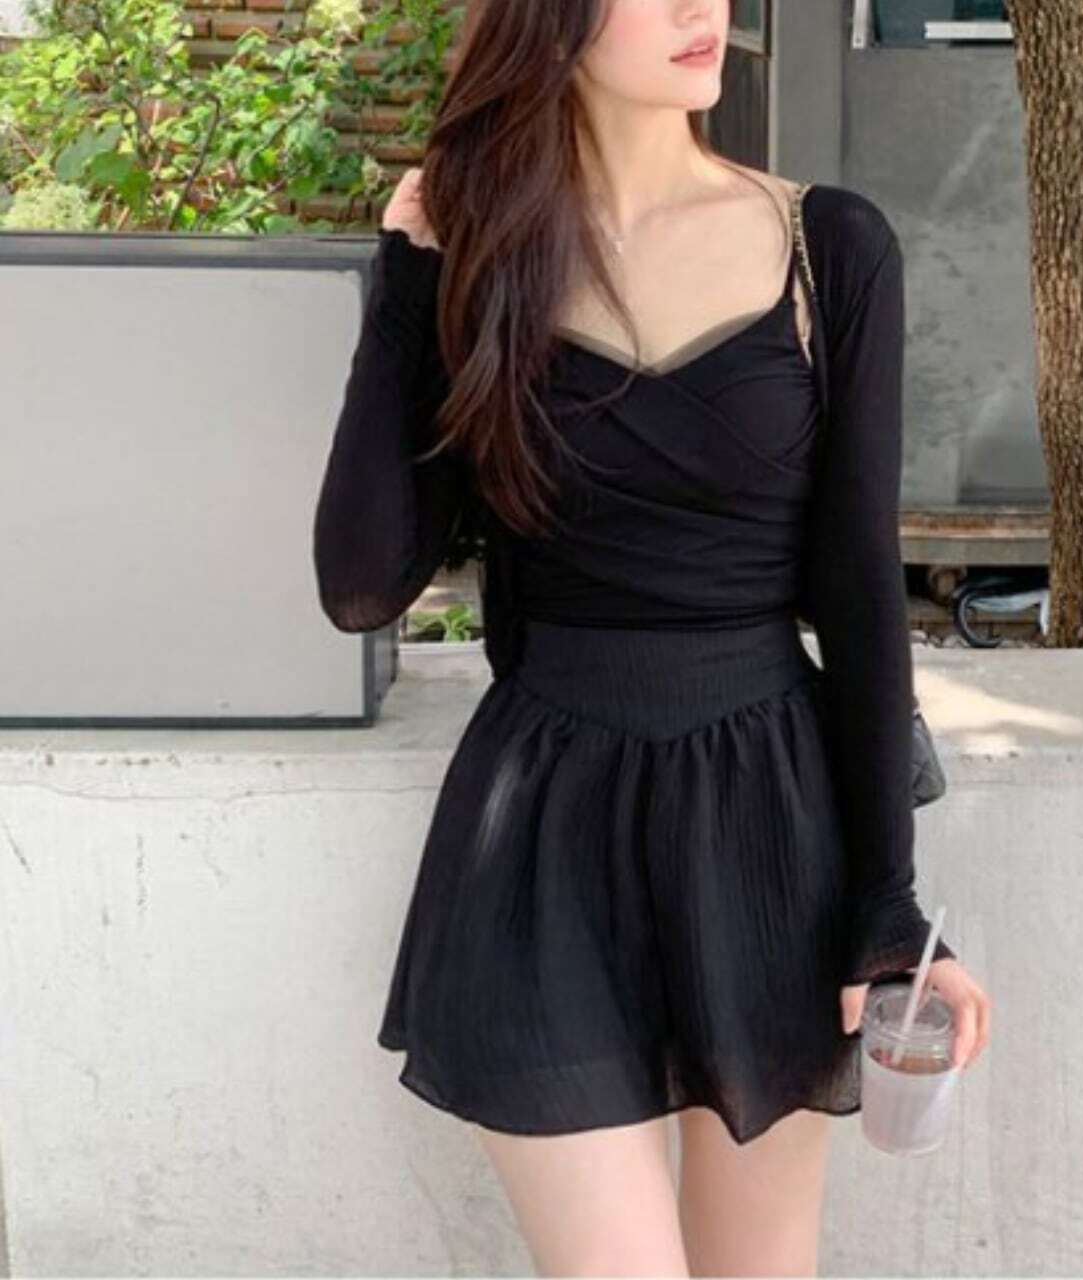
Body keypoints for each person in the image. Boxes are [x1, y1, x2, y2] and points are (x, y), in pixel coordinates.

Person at [313, 0, 992, 1274]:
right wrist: (406, 281)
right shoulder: (483, 261)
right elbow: (361, 586)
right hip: (541, 832)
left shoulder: (828, 247)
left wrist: (886, 906)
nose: (701, 9)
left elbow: (858, 601)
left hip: (766, 824)